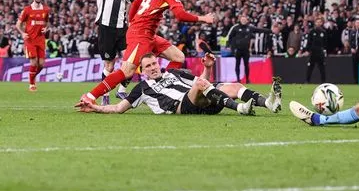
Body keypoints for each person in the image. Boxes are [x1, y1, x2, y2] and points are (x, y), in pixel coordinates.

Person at [78, 0, 217, 106]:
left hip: (148, 34)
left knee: (178, 57)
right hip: (140, 34)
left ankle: (161, 87)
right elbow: (180, 15)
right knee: (127, 71)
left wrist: (131, 21)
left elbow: (137, 1)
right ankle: (90, 96)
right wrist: (203, 18)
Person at [75, 53, 257, 115]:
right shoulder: (142, 88)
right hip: (180, 107)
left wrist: (208, 68)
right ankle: (240, 108)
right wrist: (95, 107)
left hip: (200, 103)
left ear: (158, 63)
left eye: (154, 63)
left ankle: (268, 103)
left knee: (234, 86)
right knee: (201, 85)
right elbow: (118, 108)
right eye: (148, 66)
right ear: (143, 71)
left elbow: (203, 81)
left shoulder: (173, 72)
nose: (153, 67)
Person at [15, 0, 51, 92]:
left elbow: (47, 23)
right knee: (34, 63)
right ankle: (31, 83)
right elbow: (18, 24)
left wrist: (46, 28)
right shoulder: (27, 10)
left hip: (41, 40)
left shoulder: (46, 9)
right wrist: (22, 33)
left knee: (41, 64)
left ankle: (32, 76)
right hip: (30, 40)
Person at [227, 14, 255, 83]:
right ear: (240, 20)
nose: (244, 21)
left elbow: (252, 38)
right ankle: (238, 79)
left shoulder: (249, 28)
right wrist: (231, 47)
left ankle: (247, 79)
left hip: (246, 50)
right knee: (237, 64)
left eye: (245, 20)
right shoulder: (235, 27)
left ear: (247, 21)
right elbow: (230, 37)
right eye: (242, 20)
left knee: (246, 65)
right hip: (238, 49)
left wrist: (250, 47)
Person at [304, 16, 327, 83]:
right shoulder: (311, 32)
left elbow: (325, 43)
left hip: (320, 52)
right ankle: (307, 81)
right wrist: (307, 50)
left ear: (322, 23)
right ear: (315, 23)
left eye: (320, 22)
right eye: (317, 22)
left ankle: (323, 82)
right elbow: (309, 42)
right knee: (310, 67)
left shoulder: (324, 32)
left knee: (322, 68)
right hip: (313, 52)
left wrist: (325, 50)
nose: (319, 23)